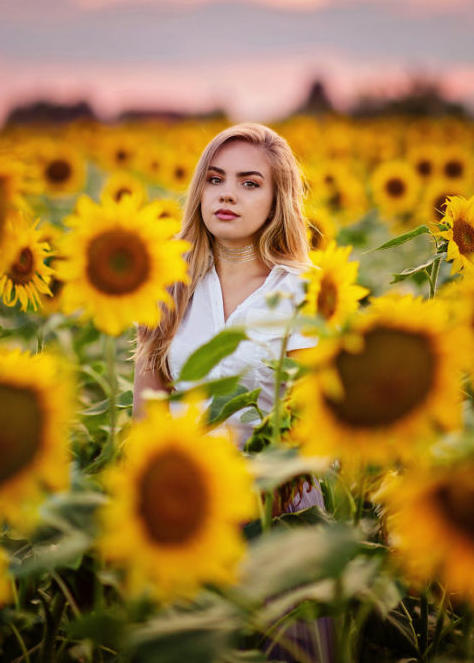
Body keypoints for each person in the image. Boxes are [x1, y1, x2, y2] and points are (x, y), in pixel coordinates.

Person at [133, 122, 333, 661]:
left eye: (250, 183)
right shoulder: (171, 284)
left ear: (277, 199)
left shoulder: (302, 290)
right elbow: (149, 399)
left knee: (286, 649)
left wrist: (275, 480)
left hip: (277, 509)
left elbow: (310, 410)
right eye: (215, 179)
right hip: (186, 510)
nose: (227, 193)